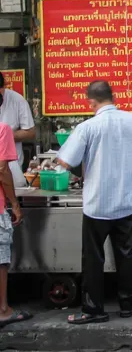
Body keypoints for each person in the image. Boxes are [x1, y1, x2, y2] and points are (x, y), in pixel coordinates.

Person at [56, 81, 132, 324]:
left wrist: (86, 169)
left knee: (93, 258)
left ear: (91, 101)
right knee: (126, 253)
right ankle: (127, 304)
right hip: (128, 200)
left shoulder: (87, 127)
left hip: (97, 203)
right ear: (114, 96)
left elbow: (66, 161)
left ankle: (93, 310)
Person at [0, 122, 31, 328]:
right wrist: (14, 204)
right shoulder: (2, 129)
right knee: (0, 258)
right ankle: (3, 310)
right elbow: (2, 170)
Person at [0, 75, 36, 188]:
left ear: (4, 85)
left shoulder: (17, 100)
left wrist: (5, 135)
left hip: (11, 166)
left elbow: (30, 132)